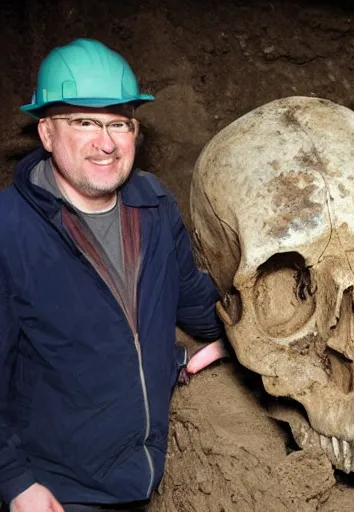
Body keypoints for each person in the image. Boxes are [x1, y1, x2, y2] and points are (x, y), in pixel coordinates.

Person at [0, 38, 226, 512]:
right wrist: (16, 482)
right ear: (46, 133)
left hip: (145, 474)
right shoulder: (10, 230)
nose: (106, 142)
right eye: (85, 122)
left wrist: (246, 330)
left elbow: (192, 300)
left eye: (119, 124)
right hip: (62, 493)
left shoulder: (155, 205)